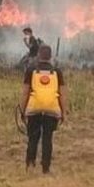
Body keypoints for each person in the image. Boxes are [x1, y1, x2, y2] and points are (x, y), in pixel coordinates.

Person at [20, 44, 67, 174]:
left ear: (38, 55)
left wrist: (22, 110)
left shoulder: (31, 70)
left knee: (33, 138)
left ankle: (30, 164)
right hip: (51, 110)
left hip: (34, 108)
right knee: (47, 139)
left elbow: (25, 92)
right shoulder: (57, 72)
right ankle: (45, 168)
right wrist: (63, 112)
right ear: (50, 56)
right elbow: (62, 93)